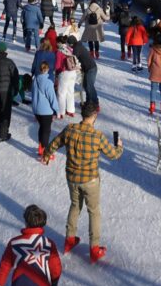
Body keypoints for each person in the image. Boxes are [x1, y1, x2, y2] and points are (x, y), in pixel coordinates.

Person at [42, 100, 123, 264]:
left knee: (74, 206)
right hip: (90, 180)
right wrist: (119, 146)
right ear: (94, 116)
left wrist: (46, 155)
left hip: (72, 177)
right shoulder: (97, 136)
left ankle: (69, 239)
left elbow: (55, 143)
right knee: (93, 211)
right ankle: (94, 248)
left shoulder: (70, 129)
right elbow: (113, 155)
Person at [0, 204, 63, 286]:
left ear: (26, 222)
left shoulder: (14, 243)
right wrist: (54, 282)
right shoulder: (48, 243)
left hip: (20, 284)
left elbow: (5, 265)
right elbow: (56, 268)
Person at [32, 63, 60, 157]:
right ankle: (45, 151)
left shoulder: (35, 79)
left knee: (42, 128)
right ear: (47, 69)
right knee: (46, 131)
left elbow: (33, 94)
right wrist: (57, 110)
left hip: (37, 110)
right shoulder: (48, 82)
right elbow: (52, 98)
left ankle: (41, 147)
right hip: (46, 111)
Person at [71, 36, 99, 106]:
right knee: (86, 86)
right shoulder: (78, 46)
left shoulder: (76, 48)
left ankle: (95, 103)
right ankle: (89, 101)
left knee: (89, 86)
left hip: (91, 69)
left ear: (71, 43)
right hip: (87, 68)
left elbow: (73, 59)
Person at [55, 40, 79, 118]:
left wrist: (55, 72)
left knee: (62, 93)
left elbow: (58, 66)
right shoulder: (69, 49)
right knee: (70, 92)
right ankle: (71, 110)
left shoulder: (59, 52)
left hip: (65, 73)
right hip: (73, 72)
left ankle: (61, 112)